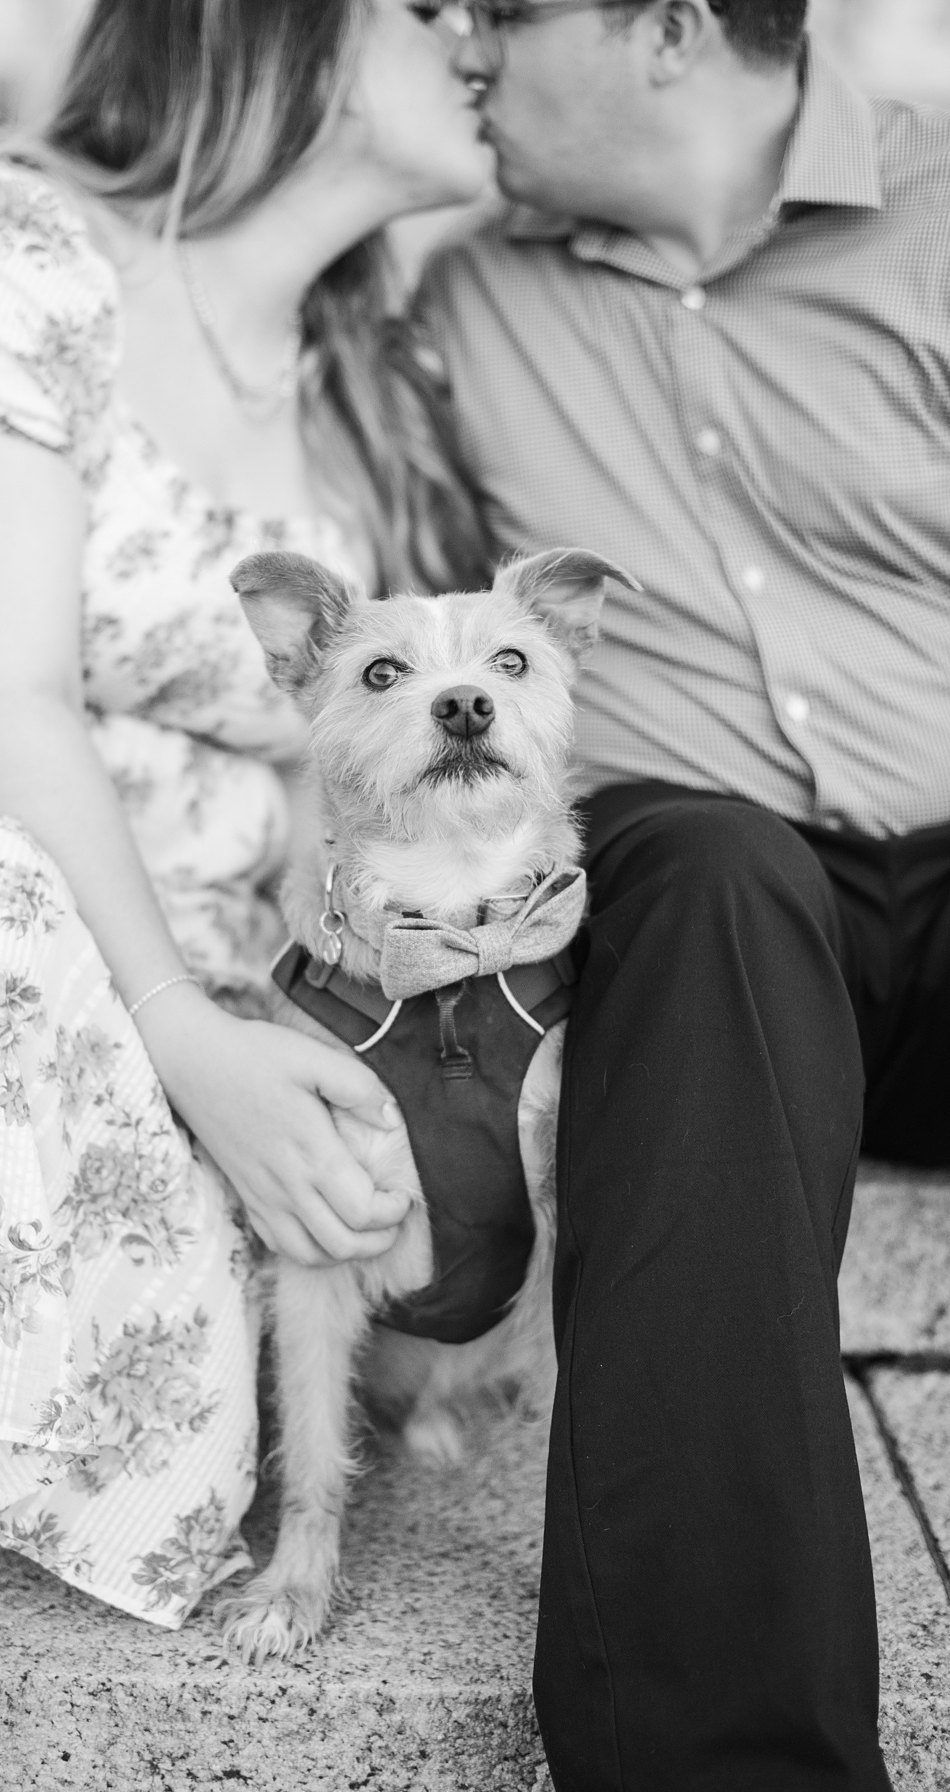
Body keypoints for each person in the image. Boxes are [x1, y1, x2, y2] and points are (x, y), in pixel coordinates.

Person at [0, 1, 504, 1783]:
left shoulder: (364, 398)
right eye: (434, 3)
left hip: (195, 968)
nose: (481, 26)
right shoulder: (11, 249)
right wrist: (183, 1025)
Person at [411, 2, 950, 1786]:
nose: (462, 56)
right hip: (702, 886)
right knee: (710, 869)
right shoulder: (463, 304)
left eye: (494, 13)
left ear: (659, 27)